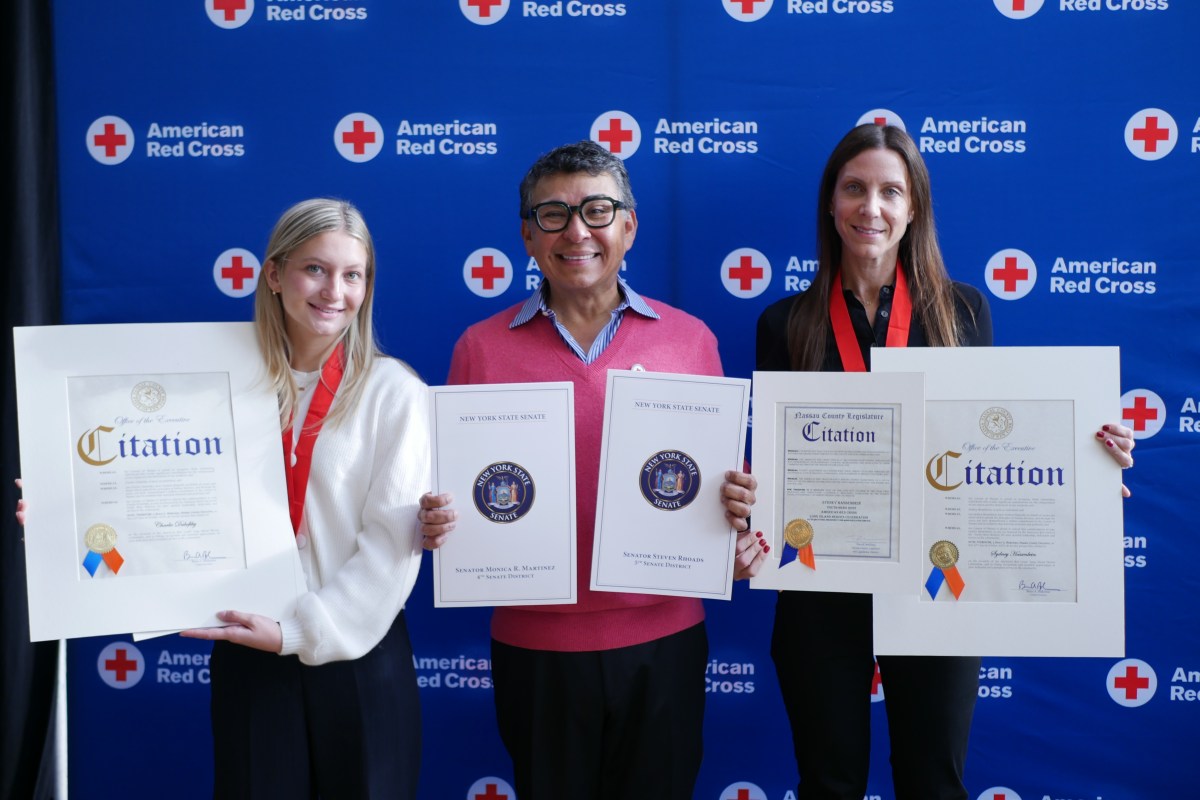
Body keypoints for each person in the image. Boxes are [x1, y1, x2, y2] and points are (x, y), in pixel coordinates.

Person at [756, 123, 1135, 800]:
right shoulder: (784, 323)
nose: (870, 207)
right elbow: (777, 467)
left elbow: (993, 446)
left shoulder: (964, 312)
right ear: (831, 203)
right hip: (820, 584)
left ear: (913, 208)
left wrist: (1088, 474)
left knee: (934, 781)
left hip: (936, 580)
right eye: (854, 188)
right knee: (827, 781)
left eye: (889, 191)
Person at [417, 140, 767, 800]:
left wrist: (738, 530)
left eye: (597, 211)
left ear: (629, 226)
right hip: (535, 650)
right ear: (526, 234)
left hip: (664, 641)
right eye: (553, 214)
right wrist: (435, 521)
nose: (577, 231)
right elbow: (454, 492)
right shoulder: (480, 348)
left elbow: (722, 490)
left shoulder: (689, 340)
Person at [176, 198, 431, 798]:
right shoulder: (218, 386)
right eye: (315, 269)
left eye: (353, 275)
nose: (334, 291)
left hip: (359, 654)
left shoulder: (395, 392)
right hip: (248, 651)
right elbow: (171, 497)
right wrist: (79, 516)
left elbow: (390, 548)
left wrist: (301, 632)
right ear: (274, 274)